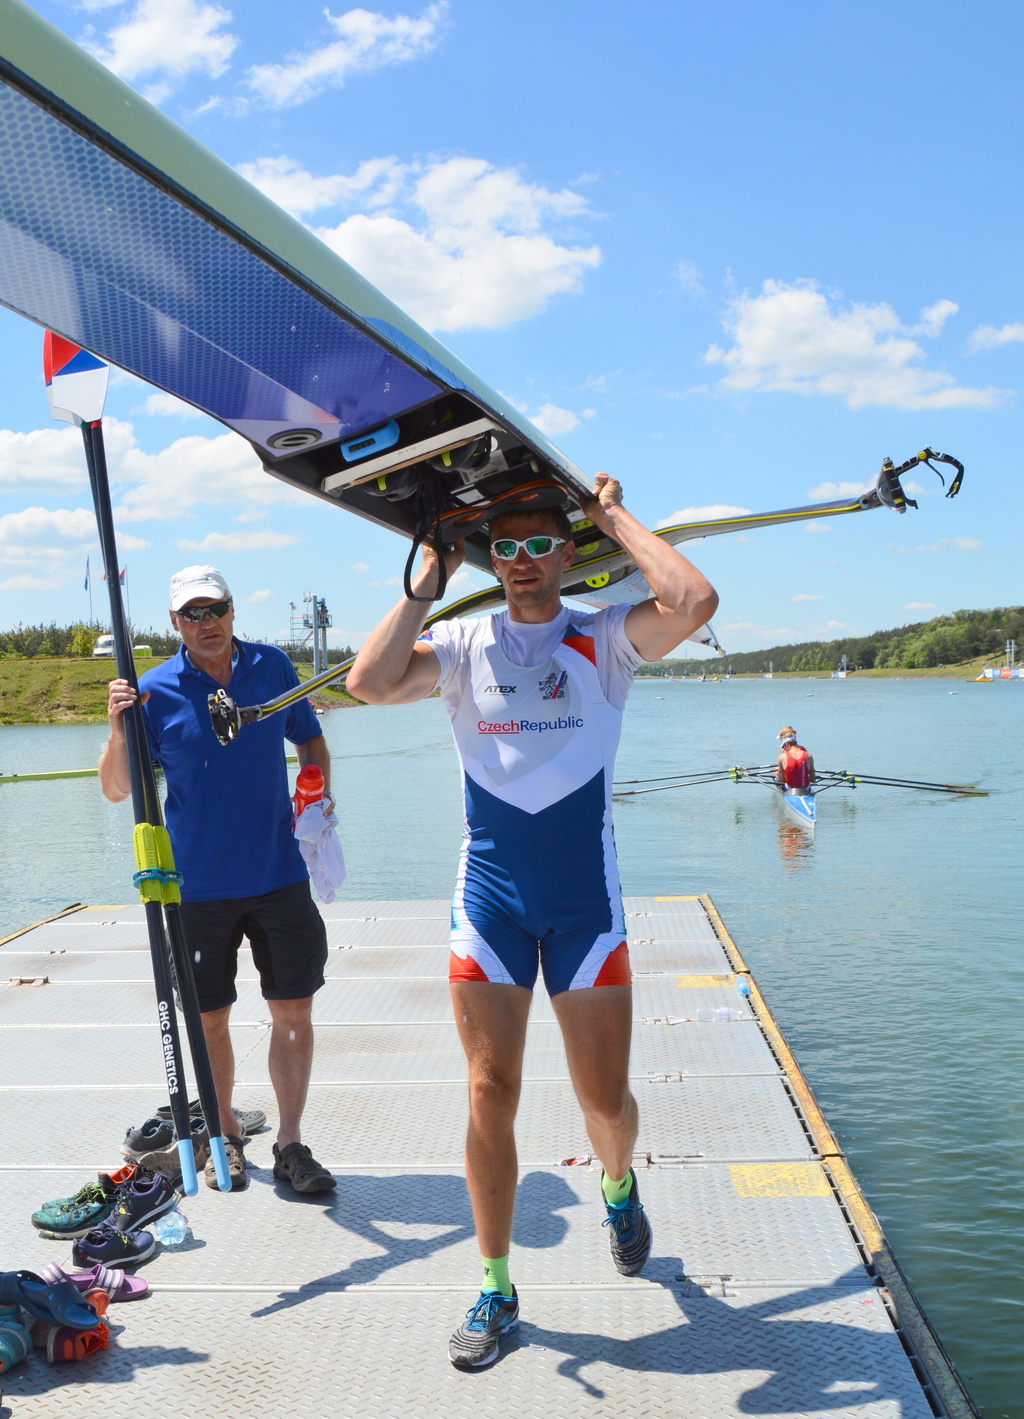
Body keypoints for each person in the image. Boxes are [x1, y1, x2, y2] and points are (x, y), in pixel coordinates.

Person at [346, 472, 719, 1368]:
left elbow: (694, 601)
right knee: (490, 1091)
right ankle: (496, 1285)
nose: (519, 561)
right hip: (492, 902)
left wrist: (612, 517)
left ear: (564, 553)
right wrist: (427, 579)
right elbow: (368, 681)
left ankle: (618, 1187)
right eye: (503, 547)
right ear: (493, 560)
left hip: (585, 906)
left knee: (604, 1101)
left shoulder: (606, 636)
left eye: (537, 545)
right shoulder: (461, 642)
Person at [98, 566, 336, 1197]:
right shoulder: (153, 692)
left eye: (216, 610)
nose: (207, 624)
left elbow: (310, 741)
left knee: (294, 1012)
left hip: (280, 874)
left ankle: (290, 1143)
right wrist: (118, 726)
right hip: (195, 887)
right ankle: (225, 1133)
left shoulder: (272, 667)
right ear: (174, 623)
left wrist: (316, 794)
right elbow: (117, 788)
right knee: (209, 1020)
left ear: (233, 611)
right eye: (192, 614)